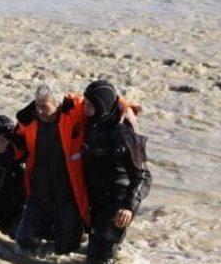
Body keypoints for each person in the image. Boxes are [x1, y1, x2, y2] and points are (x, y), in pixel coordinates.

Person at [14, 83, 138, 255]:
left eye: (45, 107)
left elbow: (103, 97)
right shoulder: (27, 120)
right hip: (39, 193)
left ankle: (76, 233)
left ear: (57, 105)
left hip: (67, 196)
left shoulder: (74, 110)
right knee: (23, 242)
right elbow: (13, 146)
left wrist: (125, 105)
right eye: (37, 105)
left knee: (66, 249)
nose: (39, 111)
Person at [82, 80, 152, 264]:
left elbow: (144, 176)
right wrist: (122, 101)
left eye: (89, 105)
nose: (84, 109)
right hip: (97, 202)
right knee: (89, 254)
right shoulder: (94, 122)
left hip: (118, 205)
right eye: (85, 104)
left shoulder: (122, 134)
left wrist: (128, 207)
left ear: (101, 106)